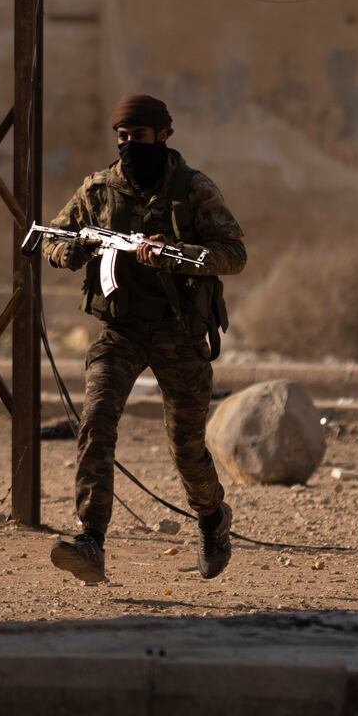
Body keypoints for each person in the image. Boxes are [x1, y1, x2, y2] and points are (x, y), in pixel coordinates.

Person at [41, 94, 246, 585]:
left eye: (140, 136)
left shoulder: (193, 189)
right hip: (121, 331)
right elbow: (51, 239)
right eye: (123, 137)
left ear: (163, 136)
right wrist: (77, 250)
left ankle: (213, 518)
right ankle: (91, 539)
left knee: (186, 449)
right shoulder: (99, 190)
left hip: (179, 333)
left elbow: (233, 252)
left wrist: (175, 254)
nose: (130, 145)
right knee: (96, 422)